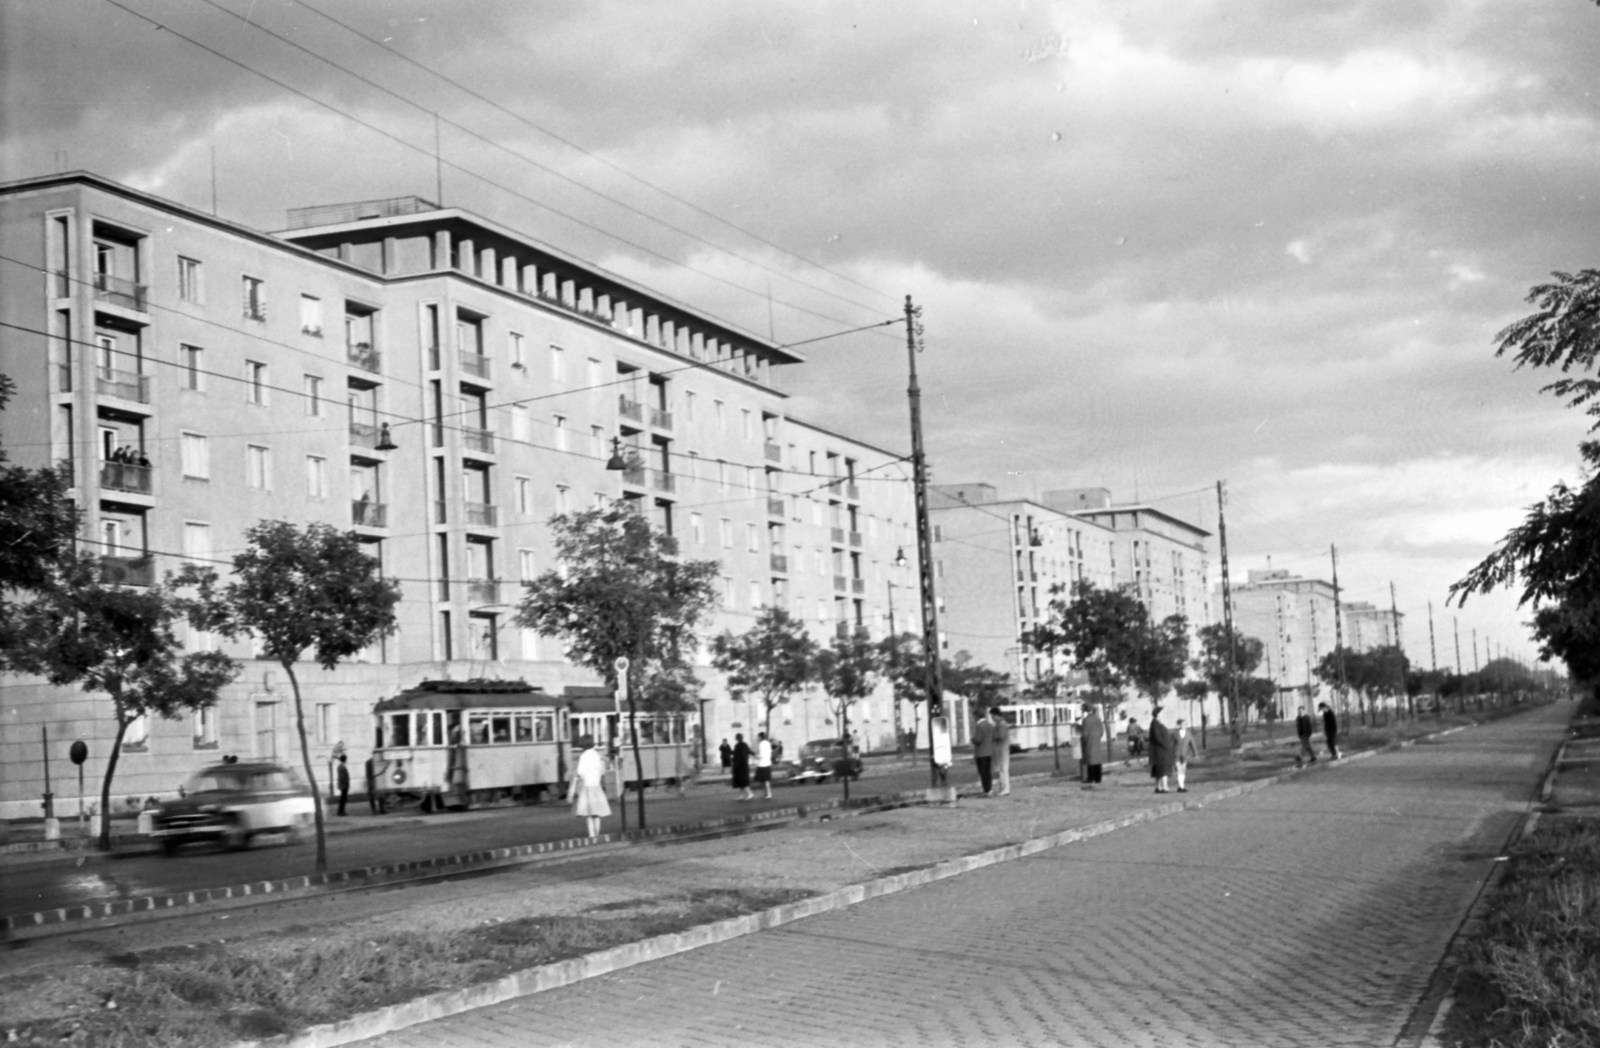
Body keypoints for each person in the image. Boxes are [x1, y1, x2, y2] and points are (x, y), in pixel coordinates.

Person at [567, 733, 611, 840]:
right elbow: (602, 771)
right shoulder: (597, 755)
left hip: (587, 787)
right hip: (597, 787)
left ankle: (591, 835)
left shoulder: (583, 756)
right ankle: (597, 834)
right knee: (597, 813)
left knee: (588, 814)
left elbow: (580, 772)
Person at [1147, 706, 1174, 793]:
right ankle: (1164, 787)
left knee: (1159, 770)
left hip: (1160, 751)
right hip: (1160, 751)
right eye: (1162, 712)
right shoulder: (1155, 724)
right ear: (1158, 714)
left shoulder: (1157, 723)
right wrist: (1167, 745)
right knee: (1163, 769)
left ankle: (1158, 787)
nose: (1164, 714)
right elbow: (1158, 738)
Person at [1080, 704, 1106, 787]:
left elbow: (1084, 734)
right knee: (1097, 759)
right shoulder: (1098, 719)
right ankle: (1098, 778)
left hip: (1089, 741)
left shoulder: (1086, 720)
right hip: (1097, 741)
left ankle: (1091, 778)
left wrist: (1083, 741)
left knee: (1089, 759)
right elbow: (1102, 731)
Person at [971, 707, 995, 795]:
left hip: (981, 753)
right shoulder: (989, 725)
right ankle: (990, 788)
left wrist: (972, 739)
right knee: (988, 772)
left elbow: (978, 739)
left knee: (982, 772)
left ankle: (986, 789)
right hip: (989, 751)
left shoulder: (979, 726)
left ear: (977, 716)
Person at [1173, 718, 1198, 793]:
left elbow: (1192, 744)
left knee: (1183, 771)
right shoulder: (1174, 733)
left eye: (1186, 724)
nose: (1185, 725)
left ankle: (1181, 786)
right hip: (1176, 754)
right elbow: (1170, 744)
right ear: (1179, 725)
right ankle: (1181, 787)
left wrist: (1195, 754)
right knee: (1179, 769)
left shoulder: (1188, 733)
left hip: (1184, 754)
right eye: (1183, 724)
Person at [991, 706, 1012, 796]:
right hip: (1000, 750)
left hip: (1003, 750)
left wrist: (993, 736)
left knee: (1003, 770)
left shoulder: (1001, 724)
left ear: (996, 715)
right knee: (1002, 770)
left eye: (993, 717)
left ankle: (1005, 788)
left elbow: (1001, 736)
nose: (992, 719)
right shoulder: (999, 724)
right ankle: (1003, 787)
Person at [731, 733, 753, 800]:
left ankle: (750, 793)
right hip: (744, 765)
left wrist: (734, 766)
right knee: (741, 781)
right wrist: (755, 754)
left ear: (737, 738)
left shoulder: (737, 746)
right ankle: (742, 795)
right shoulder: (745, 744)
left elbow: (736, 756)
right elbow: (749, 751)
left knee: (742, 781)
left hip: (739, 766)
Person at [754, 731, 774, 799]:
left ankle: (768, 793)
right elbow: (770, 752)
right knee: (765, 780)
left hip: (762, 764)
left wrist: (756, 756)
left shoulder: (761, 744)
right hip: (767, 763)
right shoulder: (768, 743)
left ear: (760, 737)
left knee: (764, 780)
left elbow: (761, 755)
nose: (757, 738)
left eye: (758, 736)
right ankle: (766, 793)